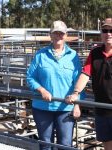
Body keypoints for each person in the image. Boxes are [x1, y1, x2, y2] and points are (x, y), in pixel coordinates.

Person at [27, 20, 83, 150]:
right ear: (50, 35)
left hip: (66, 108)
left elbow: (79, 81)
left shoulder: (73, 56)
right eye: (55, 33)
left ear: (66, 35)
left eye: (61, 33)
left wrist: (77, 104)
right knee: (46, 144)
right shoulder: (40, 55)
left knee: (65, 145)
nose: (58, 36)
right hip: (42, 107)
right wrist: (41, 90)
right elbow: (30, 77)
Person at [65, 18, 112, 150]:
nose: (108, 33)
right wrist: (75, 93)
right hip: (101, 108)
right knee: (107, 144)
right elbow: (85, 74)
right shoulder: (95, 53)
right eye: (105, 30)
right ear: (101, 33)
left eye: (111, 30)